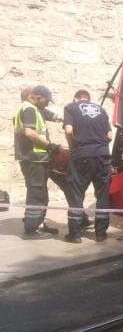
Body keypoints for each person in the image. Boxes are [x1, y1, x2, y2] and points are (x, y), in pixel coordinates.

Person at [63, 89, 113, 244]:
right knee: (102, 194)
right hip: (103, 156)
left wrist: (73, 148)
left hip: (82, 156)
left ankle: (75, 235)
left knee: (76, 193)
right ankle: (100, 234)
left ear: (76, 98)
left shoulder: (71, 107)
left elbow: (68, 130)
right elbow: (109, 136)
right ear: (89, 99)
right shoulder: (101, 110)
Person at [13, 84, 61, 239]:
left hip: (37, 158)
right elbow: (30, 133)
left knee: (41, 192)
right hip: (33, 158)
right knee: (36, 192)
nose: (48, 103)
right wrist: (49, 145)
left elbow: (51, 115)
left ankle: (38, 224)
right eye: (47, 100)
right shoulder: (29, 109)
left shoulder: (35, 109)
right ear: (38, 97)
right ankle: (32, 228)